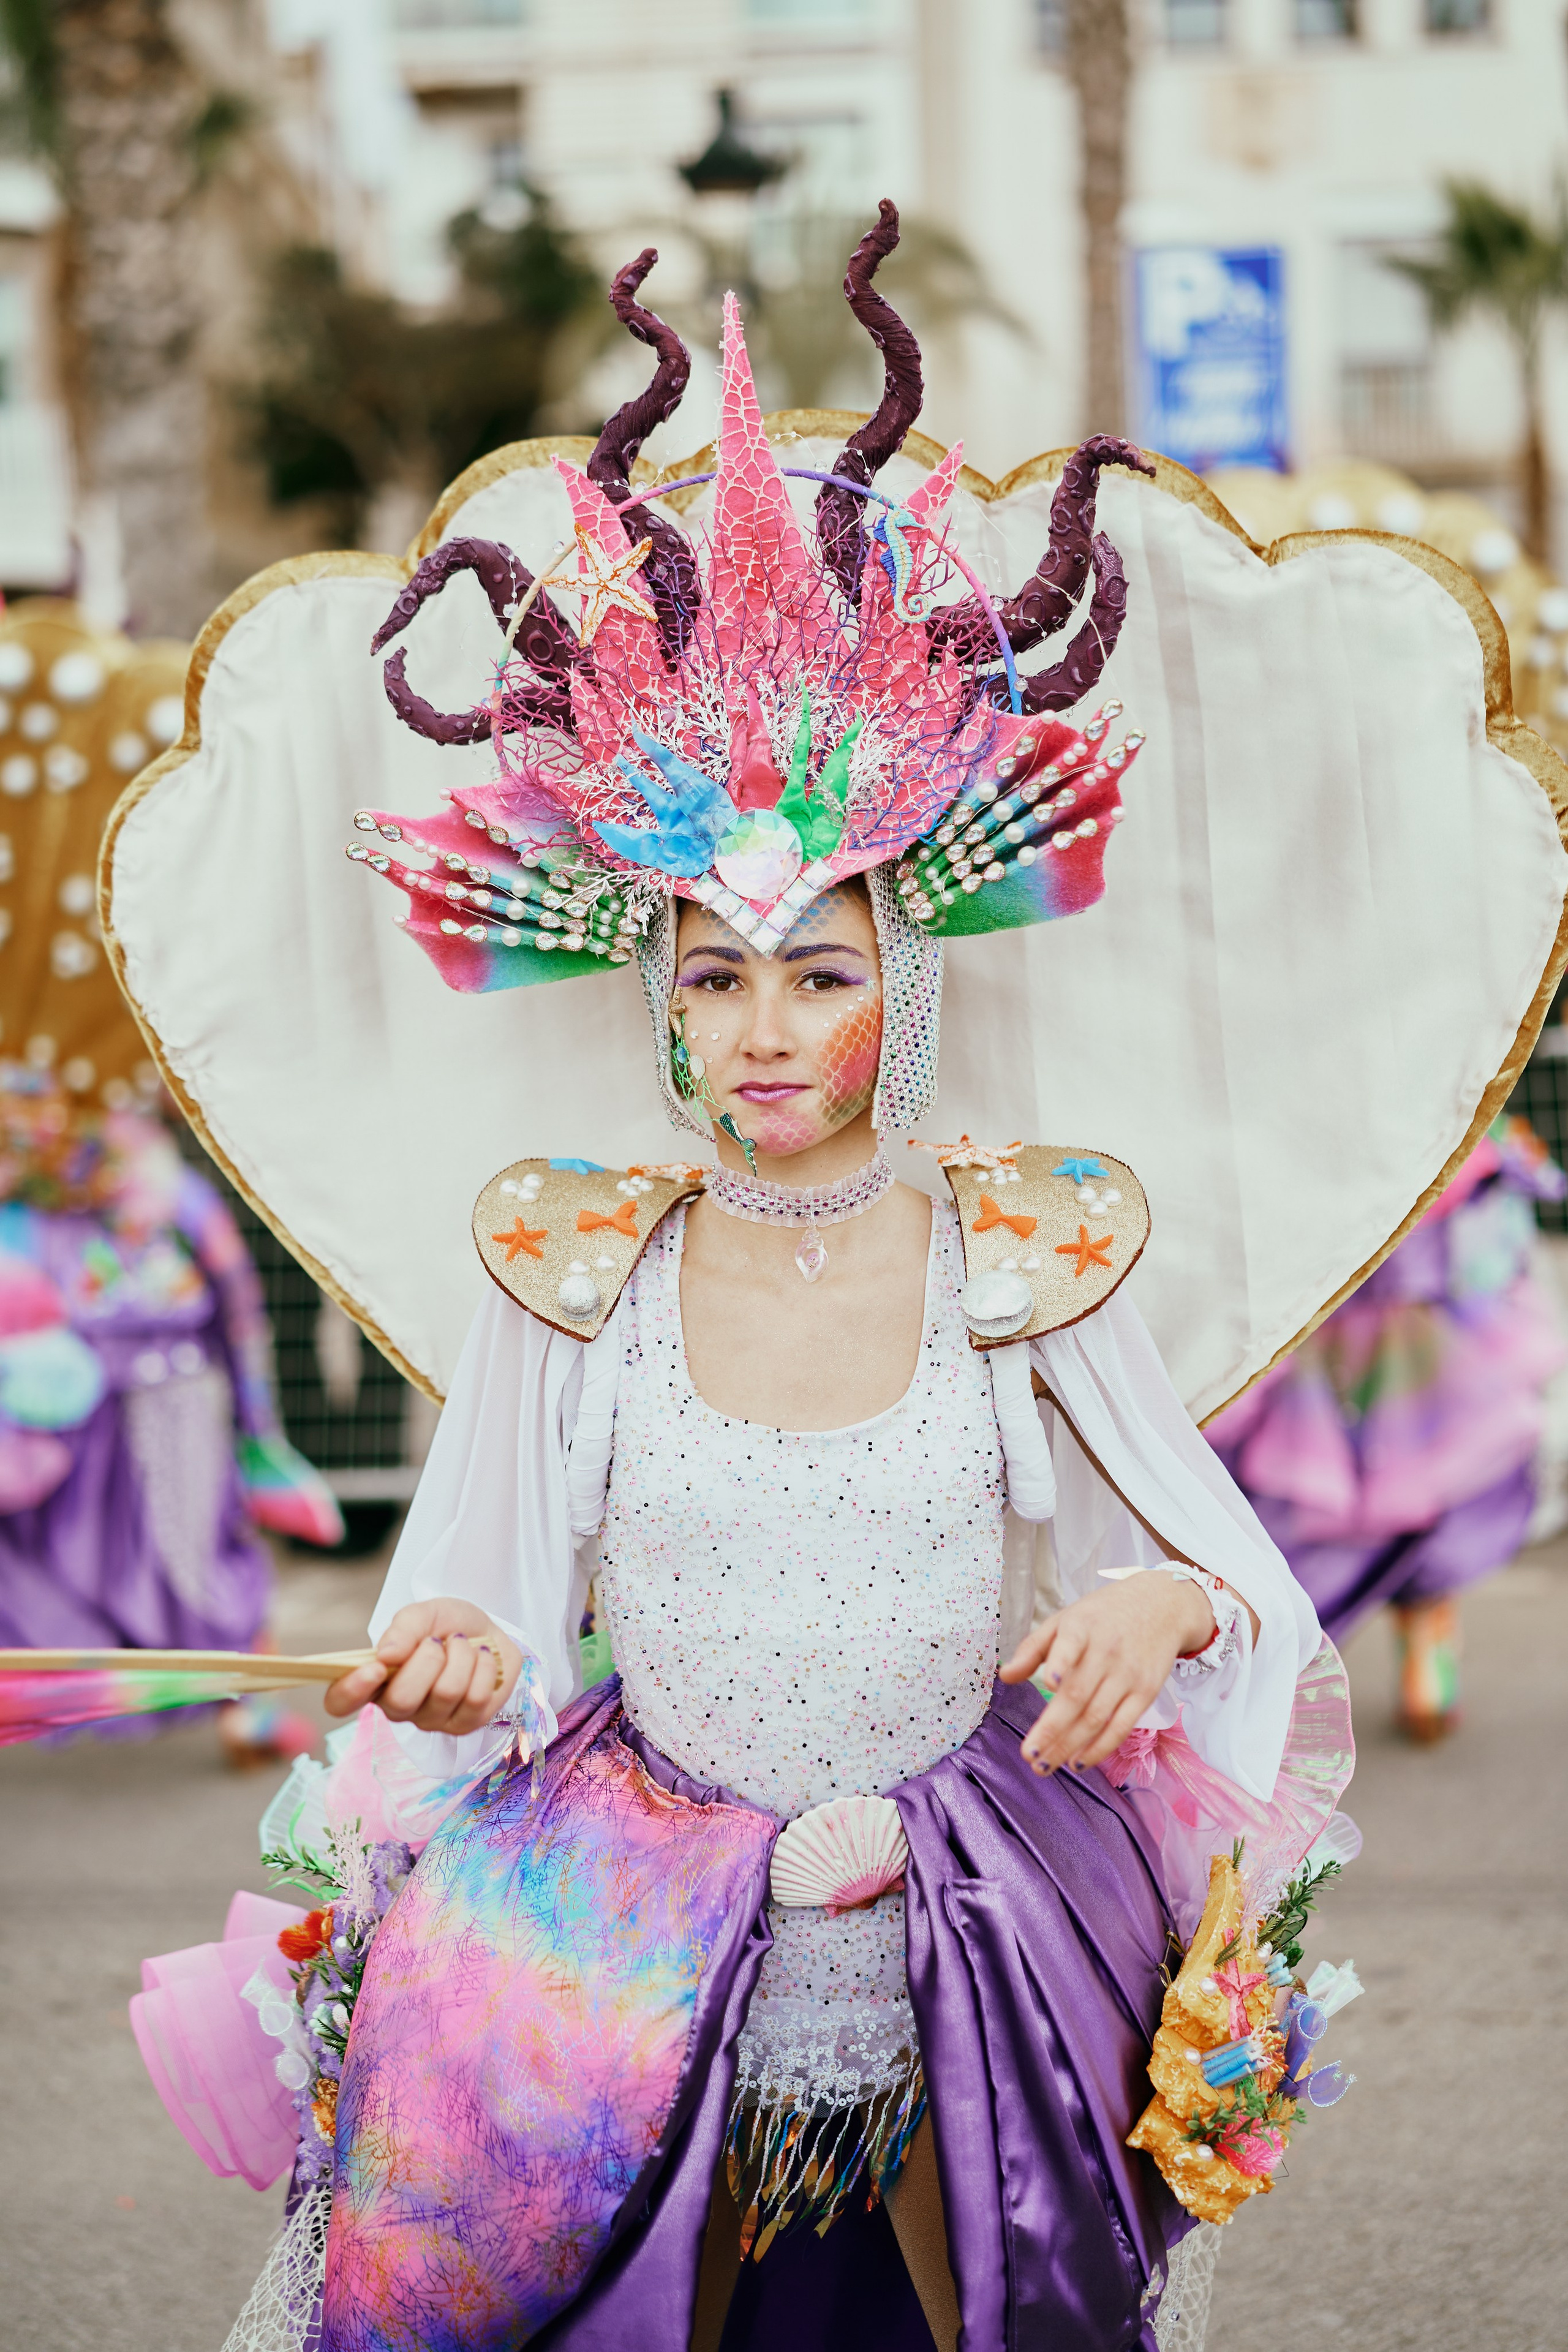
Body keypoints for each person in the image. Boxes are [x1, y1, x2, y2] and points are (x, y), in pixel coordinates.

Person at [102, 205, 1559, 2352]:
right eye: (717, 975)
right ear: (659, 1001)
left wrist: (1158, 1599)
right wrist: (432, 1656)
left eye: (816, 968)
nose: (765, 1025)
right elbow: (486, 1617)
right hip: (621, 1956)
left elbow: (1228, 1589)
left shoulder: (1025, 1251)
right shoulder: (572, 1267)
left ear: (911, 980)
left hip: (979, 1939)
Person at [0, 601, 341, 1761]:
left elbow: (225, 1296)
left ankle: (215, 1677)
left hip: (146, 1317)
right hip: (78, 1317)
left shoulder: (145, 1179)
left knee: (182, 1475)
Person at [1207, 1115, 1567, 1741]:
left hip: (1408, 1352)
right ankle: (1302, 1672)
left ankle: (1416, 1651)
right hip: (1332, 1352)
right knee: (1309, 1521)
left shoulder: (1437, 1120)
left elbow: (1484, 1247)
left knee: (1414, 1512)